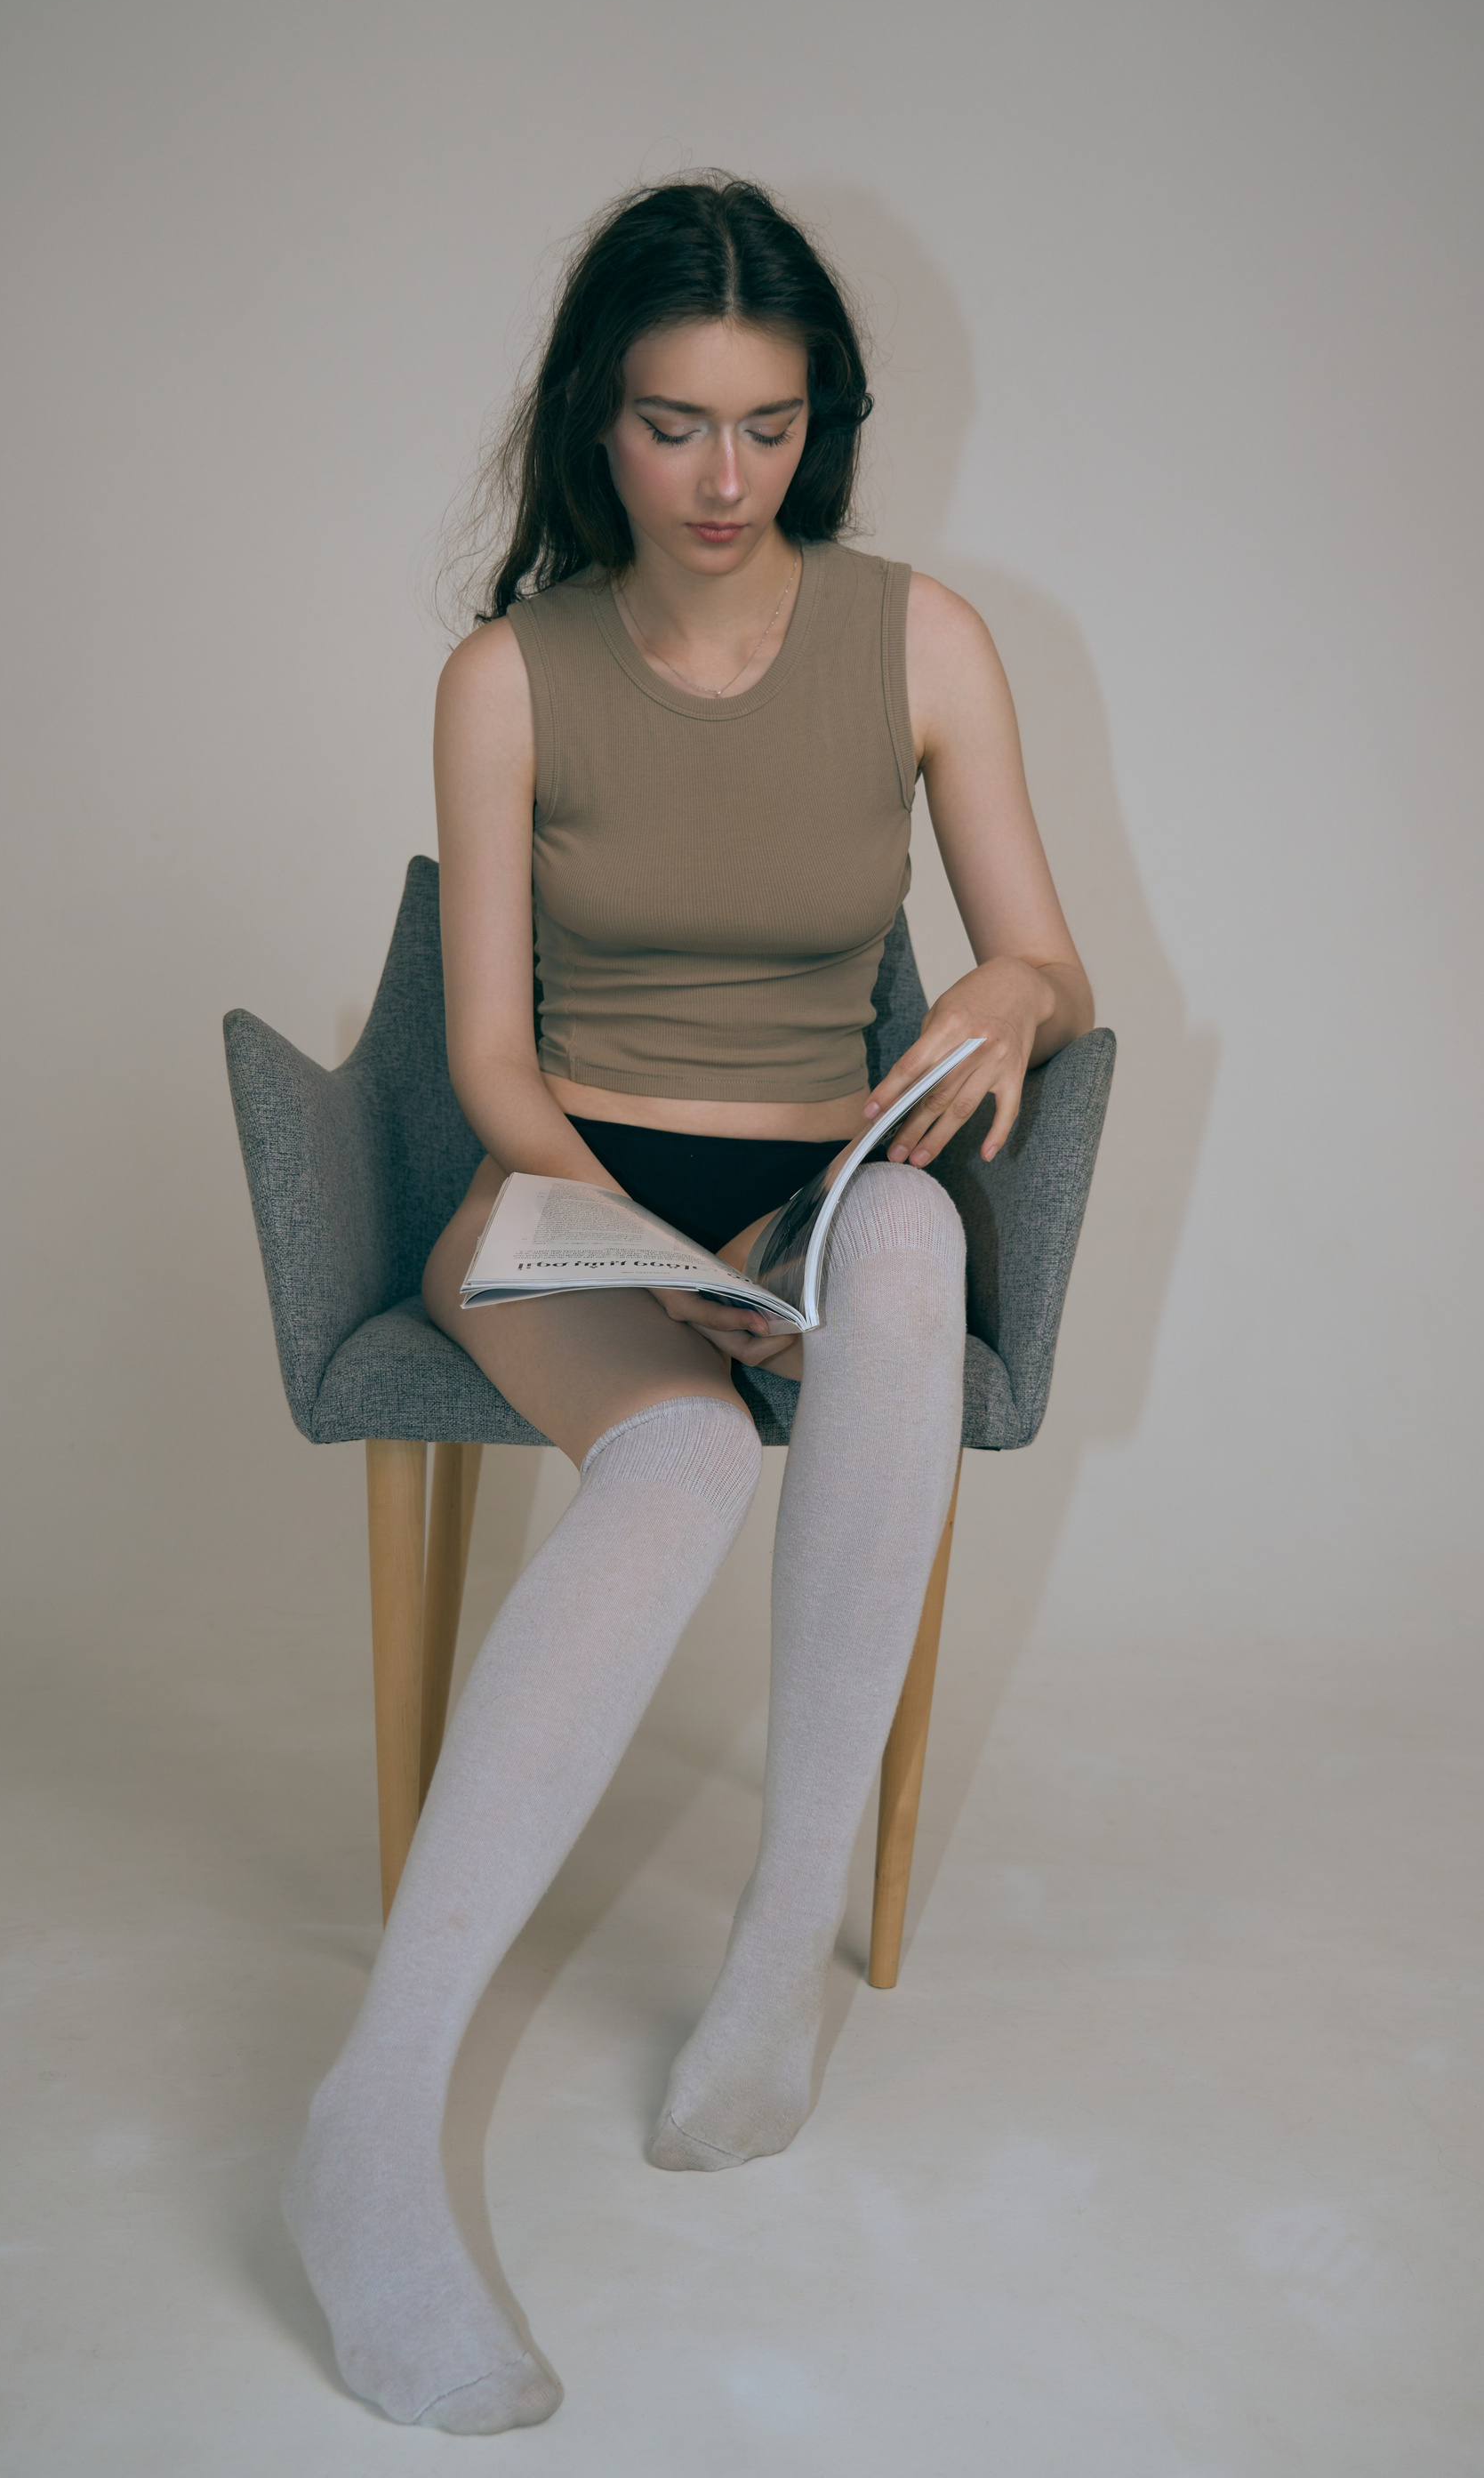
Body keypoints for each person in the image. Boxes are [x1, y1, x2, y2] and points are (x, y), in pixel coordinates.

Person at [285, 175, 1094, 2434]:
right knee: (676, 1462)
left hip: (821, 1185)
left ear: (820, 422)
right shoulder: (506, 676)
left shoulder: (923, 644)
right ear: (594, 423)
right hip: (566, 1188)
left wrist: (1017, 993)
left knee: (914, 1244)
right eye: (672, 427)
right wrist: (640, 1247)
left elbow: (1043, 950)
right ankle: (370, 2126)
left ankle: (773, 1958)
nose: (725, 480)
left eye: (769, 425)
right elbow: (484, 1060)